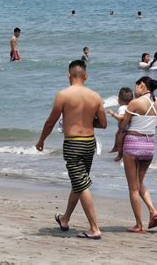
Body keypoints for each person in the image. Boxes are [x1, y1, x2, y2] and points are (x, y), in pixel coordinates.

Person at [35, 60, 107, 240]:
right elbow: (104, 124)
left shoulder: (63, 95)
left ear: (69, 75)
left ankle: (94, 228)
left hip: (73, 144)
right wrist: (87, 121)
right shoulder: (95, 96)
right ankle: (65, 219)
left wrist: (41, 140)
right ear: (86, 76)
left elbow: (50, 122)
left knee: (82, 184)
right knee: (79, 182)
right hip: (90, 142)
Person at [115, 76, 157, 233]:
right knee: (140, 183)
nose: (135, 90)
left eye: (136, 86)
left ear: (142, 86)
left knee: (133, 188)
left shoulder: (135, 103)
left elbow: (123, 125)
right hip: (149, 146)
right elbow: (155, 125)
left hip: (133, 144)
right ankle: (153, 210)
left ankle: (138, 225)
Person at [108, 87, 133, 155]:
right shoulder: (130, 106)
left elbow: (121, 118)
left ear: (119, 100)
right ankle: (115, 148)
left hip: (124, 129)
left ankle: (120, 154)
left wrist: (113, 114)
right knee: (117, 134)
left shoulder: (122, 108)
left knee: (120, 140)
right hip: (130, 128)